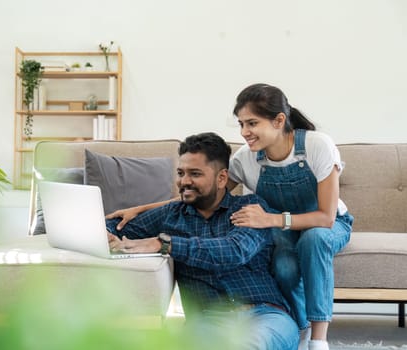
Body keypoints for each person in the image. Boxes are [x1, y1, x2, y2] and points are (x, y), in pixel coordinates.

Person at [107, 84, 354, 350]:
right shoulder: (244, 161)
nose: (244, 132)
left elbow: (323, 218)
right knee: (285, 266)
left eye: (252, 123)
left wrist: (164, 243)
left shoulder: (308, 153)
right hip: (212, 316)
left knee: (313, 241)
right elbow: (190, 194)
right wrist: (138, 211)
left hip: (317, 229)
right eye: (241, 124)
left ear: (279, 120)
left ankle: (317, 339)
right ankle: (300, 328)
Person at [106, 132, 298, 350]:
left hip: (265, 316)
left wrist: (165, 244)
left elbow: (234, 251)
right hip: (207, 320)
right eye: (180, 173)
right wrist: (105, 233)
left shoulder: (250, 208)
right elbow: (117, 226)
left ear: (222, 178)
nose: (184, 181)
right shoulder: (170, 214)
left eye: (195, 174)